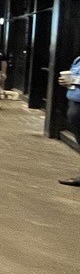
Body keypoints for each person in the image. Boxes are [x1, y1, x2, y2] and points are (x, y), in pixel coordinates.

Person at [58, 58, 80, 186]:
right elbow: (71, 80)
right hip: (74, 102)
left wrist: (74, 81)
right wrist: (66, 83)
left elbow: (75, 80)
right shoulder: (78, 60)